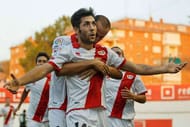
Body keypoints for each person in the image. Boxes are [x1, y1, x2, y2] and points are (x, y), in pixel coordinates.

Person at [4, 7, 187, 127]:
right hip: (68, 107)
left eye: (98, 30)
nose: (94, 32)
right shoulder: (66, 46)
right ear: (77, 29)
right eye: (89, 26)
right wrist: (19, 81)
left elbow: (131, 69)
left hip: (99, 111)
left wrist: (165, 68)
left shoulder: (104, 53)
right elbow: (51, 69)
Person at [48, 14, 113, 127]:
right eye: (97, 34)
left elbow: (116, 70)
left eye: (102, 37)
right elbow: (58, 69)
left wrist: (98, 67)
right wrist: (91, 64)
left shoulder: (98, 52)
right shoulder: (62, 41)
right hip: (59, 103)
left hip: (80, 106)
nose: (98, 39)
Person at [105, 46, 147, 127]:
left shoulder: (133, 75)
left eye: (118, 53)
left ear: (123, 58)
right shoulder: (102, 73)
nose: (115, 55)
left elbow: (143, 98)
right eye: (112, 53)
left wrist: (133, 96)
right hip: (106, 118)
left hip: (124, 120)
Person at [14, 52, 50, 127]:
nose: (41, 63)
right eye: (39, 61)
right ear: (36, 63)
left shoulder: (53, 78)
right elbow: (25, 91)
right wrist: (19, 106)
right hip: (32, 117)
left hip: (48, 118)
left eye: (44, 61)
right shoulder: (31, 78)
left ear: (48, 64)